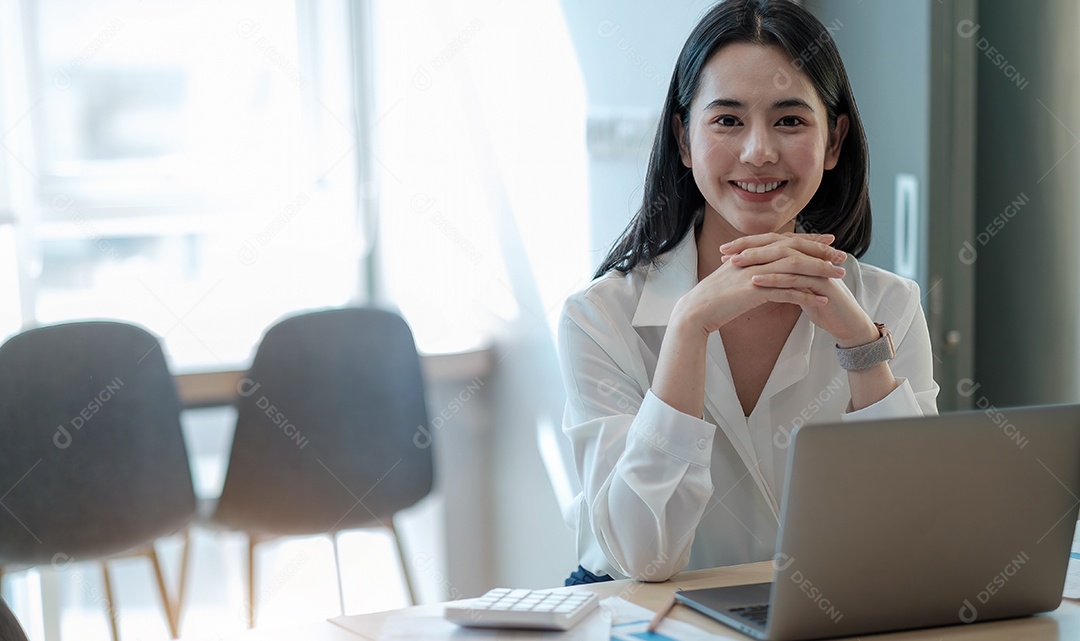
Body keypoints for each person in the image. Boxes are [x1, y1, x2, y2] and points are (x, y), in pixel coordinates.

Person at [557, 0, 939, 586]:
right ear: (685, 142)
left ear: (834, 142)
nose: (758, 151)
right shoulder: (598, 318)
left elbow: (916, 536)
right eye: (727, 121)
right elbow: (641, 557)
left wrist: (863, 348)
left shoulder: (889, 308)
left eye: (790, 120)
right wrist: (687, 329)